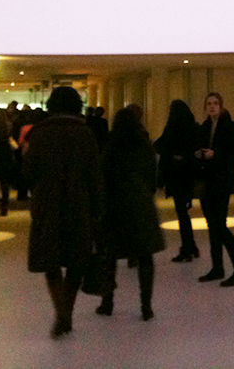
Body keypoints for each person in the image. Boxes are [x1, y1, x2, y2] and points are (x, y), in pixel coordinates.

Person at [23, 87, 103, 339]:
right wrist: (97, 207)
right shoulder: (85, 133)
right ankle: (67, 309)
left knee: (51, 260)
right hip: (79, 203)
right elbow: (94, 174)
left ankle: (61, 312)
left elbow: (27, 172)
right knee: (76, 261)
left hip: (47, 202)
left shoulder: (40, 133)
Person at [95, 107, 165, 321]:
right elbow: (152, 175)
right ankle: (146, 306)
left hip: (114, 207)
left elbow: (102, 177)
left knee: (110, 257)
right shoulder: (144, 145)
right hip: (141, 206)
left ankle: (107, 303)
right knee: (145, 257)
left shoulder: (111, 146)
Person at [194, 92, 234, 287]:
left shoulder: (231, 127)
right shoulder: (204, 127)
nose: (212, 106)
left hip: (222, 182)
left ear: (221, 106)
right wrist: (199, 154)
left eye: (215, 103)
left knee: (220, 226)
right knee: (212, 226)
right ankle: (217, 268)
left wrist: (215, 154)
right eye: (209, 103)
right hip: (207, 182)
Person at [154, 100, 201, 263]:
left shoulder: (172, 128)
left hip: (175, 176)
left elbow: (160, 145)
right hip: (188, 176)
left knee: (181, 213)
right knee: (183, 213)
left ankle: (187, 248)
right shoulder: (193, 127)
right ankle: (190, 246)